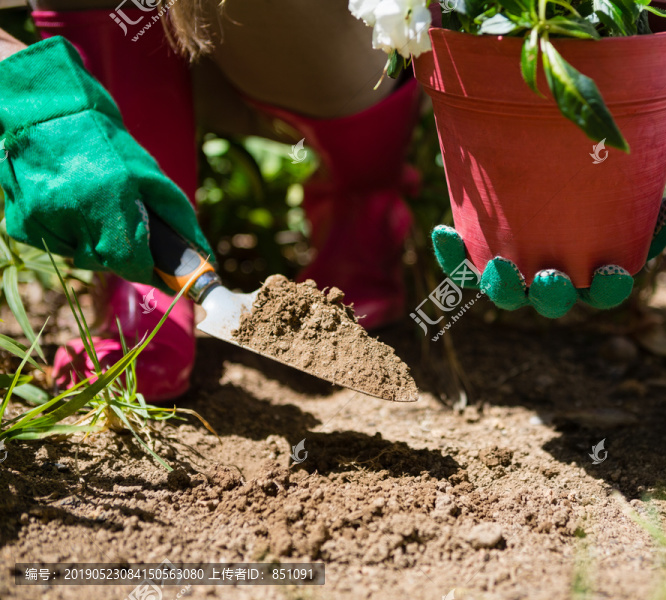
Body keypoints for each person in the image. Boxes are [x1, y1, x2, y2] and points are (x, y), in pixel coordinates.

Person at [0, 0, 422, 402]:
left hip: (299, 48)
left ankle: (362, 204)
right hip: (142, 54)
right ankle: (144, 278)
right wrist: (30, 97)